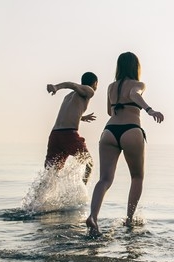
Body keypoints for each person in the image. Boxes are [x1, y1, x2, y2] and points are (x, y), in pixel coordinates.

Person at [85, 52, 164, 236]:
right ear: (135, 67)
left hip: (109, 132)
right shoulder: (138, 84)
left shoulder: (111, 87)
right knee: (137, 177)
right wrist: (150, 110)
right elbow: (133, 94)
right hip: (131, 130)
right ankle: (129, 220)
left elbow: (108, 111)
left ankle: (93, 217)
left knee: (104, 179)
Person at [44, 72, 98, 184]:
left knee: (51, 172)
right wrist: (56, 87)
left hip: (55, 135)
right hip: (68, 135)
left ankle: (36, 199)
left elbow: (67, 113)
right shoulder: (89, 90)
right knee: (89, 163)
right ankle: (81, 192)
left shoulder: (69, 96)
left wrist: (81, 117)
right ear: (95, 83)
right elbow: (72, 84)